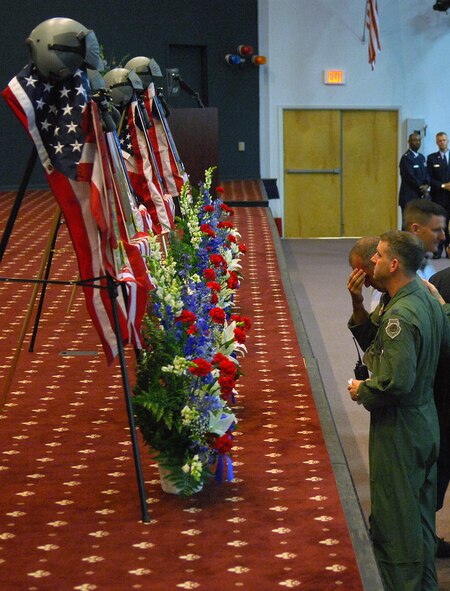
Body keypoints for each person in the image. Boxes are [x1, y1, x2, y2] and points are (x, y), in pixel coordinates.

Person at [348, 231, 450, 591]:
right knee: (420, 519)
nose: (370, 261)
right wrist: (358, 302)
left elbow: (396, 383)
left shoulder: (401, 315)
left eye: (377, 255)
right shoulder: (420, 295)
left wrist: (364, 390)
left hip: (402, 428)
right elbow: (372, 338)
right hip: (425, 422)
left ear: (394, 263)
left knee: (397, 526)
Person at [403, 198, 447, 278]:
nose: (442, 237)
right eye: (436, 230)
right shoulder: (399, 273)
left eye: (443, 230)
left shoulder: (426, 266)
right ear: (415, 229)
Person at [427, 131, 450, 258]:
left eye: (444, 140)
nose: (442, 142)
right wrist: (443, 185)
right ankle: (438, 251)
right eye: (440, 140)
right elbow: (429, 177)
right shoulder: (432, 158)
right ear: (437, 143)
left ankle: (449, 251)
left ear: (448, 141)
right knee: (440, 225)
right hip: (439, 197)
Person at [399, 133, 430, 214]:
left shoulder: (421, 157)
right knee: (408, 224)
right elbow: (410, 177)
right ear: (409, 142)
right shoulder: (406, 158)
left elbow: (426, 173)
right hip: (409, 196)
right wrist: (421, 187)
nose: (417, 142)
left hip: (420, 196)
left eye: (419, 140)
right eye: (415, 140)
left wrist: (426, 185)